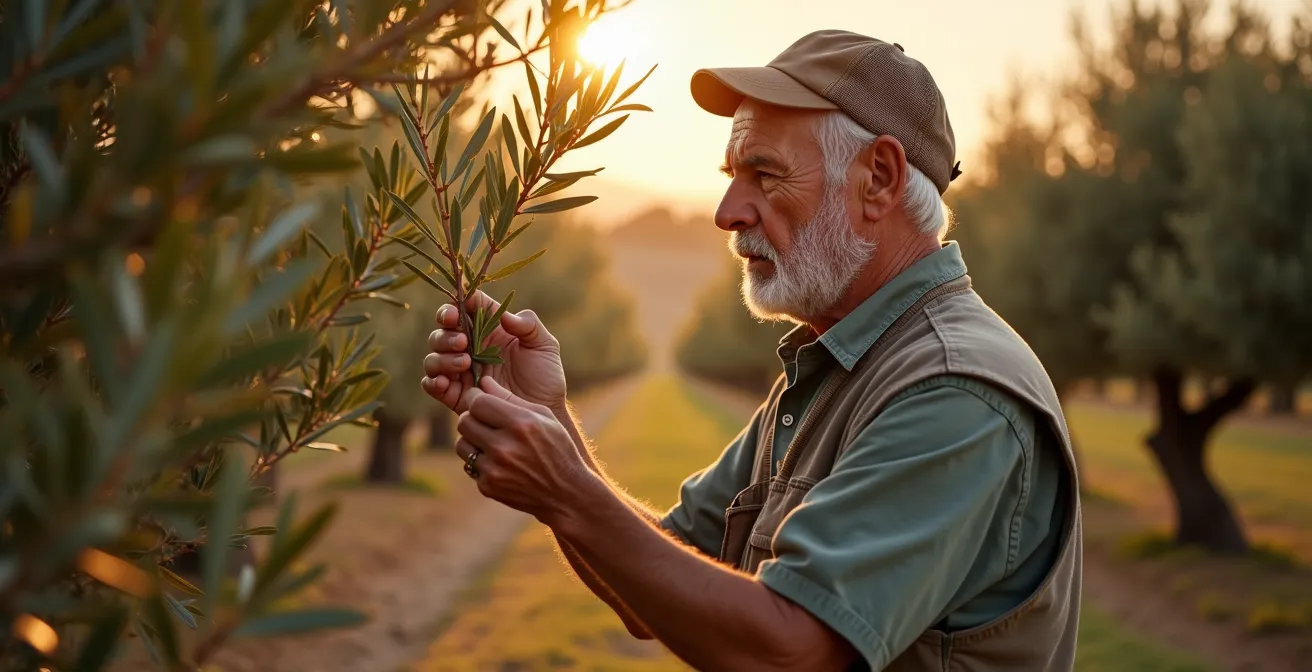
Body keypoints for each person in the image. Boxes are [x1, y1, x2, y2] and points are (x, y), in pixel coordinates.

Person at [421, 29, 1081, 672]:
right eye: (733, 175)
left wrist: (566, 491)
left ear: (877, 178)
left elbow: (788, 650)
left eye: (763, 174)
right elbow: (661, 576)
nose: (728, 211)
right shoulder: (837, 363)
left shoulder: (953, 390)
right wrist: (548, 418)